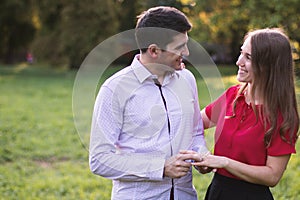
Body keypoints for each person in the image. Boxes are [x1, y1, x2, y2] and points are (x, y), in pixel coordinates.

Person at [89, 6, 208, 200]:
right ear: (154, 50)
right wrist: (160, 167)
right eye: (179, 47)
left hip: (185, 195)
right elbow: (100, 160)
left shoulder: (187, 79)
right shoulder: (115, 89)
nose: (186, 52)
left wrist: (201, 154)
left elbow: (195, 133)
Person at [181, 28, 299, 199]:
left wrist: (225, 162)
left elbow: (272, 176)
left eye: (248, 57)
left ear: (269, 65)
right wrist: (202, 157)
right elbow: (194, 124)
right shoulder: (232, 96)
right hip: (217, 192)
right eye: (241, 53)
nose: (238, 62)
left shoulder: (283, 117)